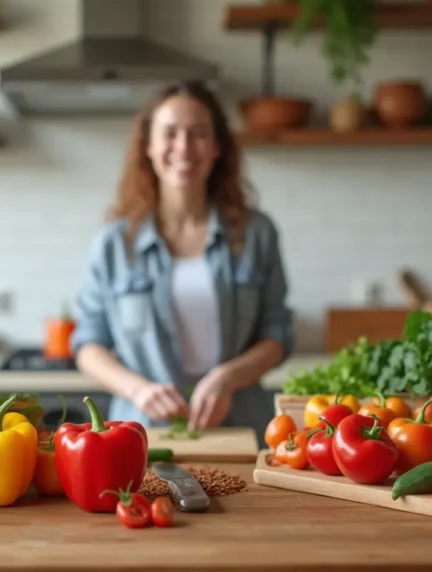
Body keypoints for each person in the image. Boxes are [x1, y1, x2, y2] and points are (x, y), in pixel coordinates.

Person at [69, 81, 293, 440]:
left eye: (199, 134)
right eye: (169, 133)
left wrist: (229, 376)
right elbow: (88, 346)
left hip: (241, 429)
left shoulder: (256, 233)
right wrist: (139, 390)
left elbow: (278, 334)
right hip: (140, 435)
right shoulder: (114, 243)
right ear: (148, 147)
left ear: (218, 146)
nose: (184, 148)